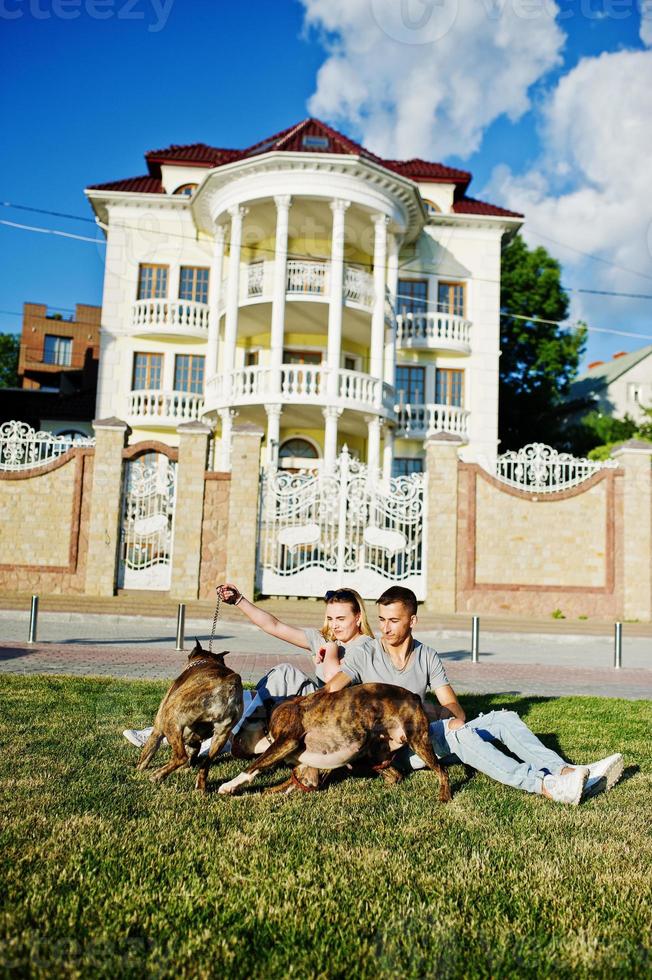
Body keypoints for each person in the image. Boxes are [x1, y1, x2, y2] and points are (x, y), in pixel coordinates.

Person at [317, 586, 623, 805]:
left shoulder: (427, 656)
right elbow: (332, 688)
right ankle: (546, 786)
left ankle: (566, 771)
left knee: (503, 719)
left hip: (423, 731)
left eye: (393, 620)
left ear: (412, 621)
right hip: (393, 750)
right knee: (460, 737)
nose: (385, 628)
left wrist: (445, 717)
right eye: (382, 620)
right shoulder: (365, 653)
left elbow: (453, 707)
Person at [122, 586, 373, 751]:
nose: (335, 625)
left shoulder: (364, 646)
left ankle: (220, 742)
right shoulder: (327, 638)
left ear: (358, 618)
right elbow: (273, 626)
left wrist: (329, 650)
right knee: (242, 697)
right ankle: (164, 733)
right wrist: (239, 600)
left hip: (330, 715)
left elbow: (331, 679)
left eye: (341, 619)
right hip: (309, 705)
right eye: (330, 618)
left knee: (285, 673)